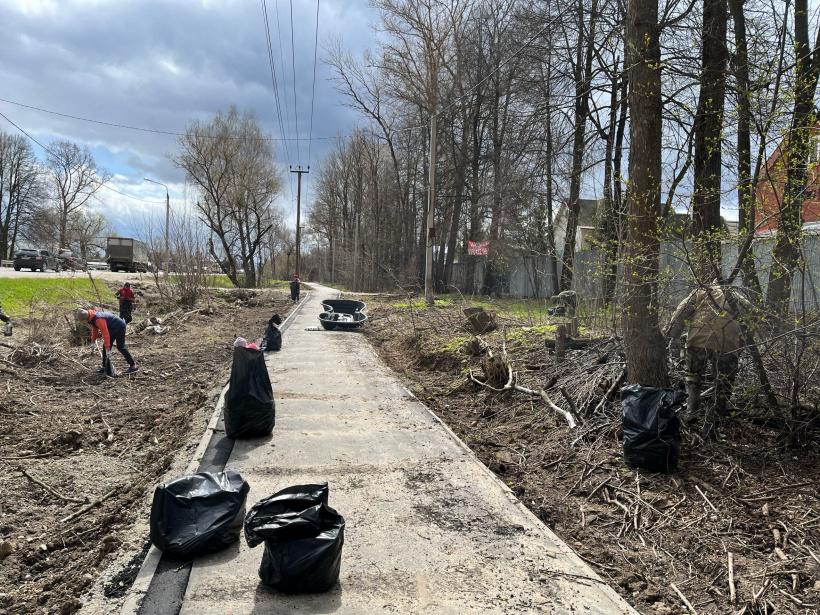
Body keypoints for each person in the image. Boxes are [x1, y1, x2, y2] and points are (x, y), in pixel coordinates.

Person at [665, 283, 753, 439]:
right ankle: (710, 428)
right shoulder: (737, 296)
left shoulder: (701, 291)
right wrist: (742, 345)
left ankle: (692, 412)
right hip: (728, 345)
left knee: (693, 378)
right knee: (723, 386)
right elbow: (751, 316)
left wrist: (671, 335)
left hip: (698, 341)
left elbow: (681, 312)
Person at [77, 308, 138, 376]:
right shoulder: (92, 316)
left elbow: (105, 334)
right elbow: (95, 329)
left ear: (86, 318)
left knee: (121, 347)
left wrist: (108, 347)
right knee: (105, 347)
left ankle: (133, 366)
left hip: (119, 326)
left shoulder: (98, 319)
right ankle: (105, 367)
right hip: (113, 327)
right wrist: (93, 341)